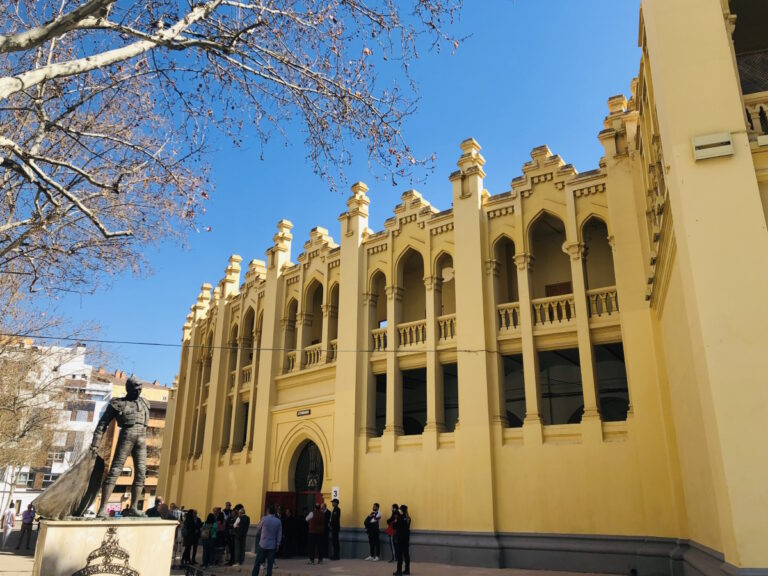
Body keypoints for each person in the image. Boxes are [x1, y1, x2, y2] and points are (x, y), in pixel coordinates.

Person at [91, 377, 150, 517]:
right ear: (128, 389)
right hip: (127, 435)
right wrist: (95, 444)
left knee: (141, 473)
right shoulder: (117, 403)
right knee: (115, 470)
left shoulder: (145, 403)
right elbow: (102, 425)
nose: (139, 390)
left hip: (142, 438)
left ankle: (134, 507)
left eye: (140, 388)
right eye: (136, 388)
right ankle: (102, 508)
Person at [251, 503, 282, 576]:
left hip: (263, 544)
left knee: (257, 562)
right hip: (272, 545)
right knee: (270, 564)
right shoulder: (278, 521)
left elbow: (258, 527)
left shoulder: (264, 519)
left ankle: (254, 574)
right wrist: (278, 544)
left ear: (268, 511)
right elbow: (279, 534)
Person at [394, 504, 411, 576]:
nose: (399, 510)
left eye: (400, 509)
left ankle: (399, 571)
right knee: (406, 554)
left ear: (402, 510)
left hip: (400, 538)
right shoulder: (408, 518)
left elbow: (395, 526)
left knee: (399, 554)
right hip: (406, 538)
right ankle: (407, 570)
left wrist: (395, 520)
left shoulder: (399, 518)